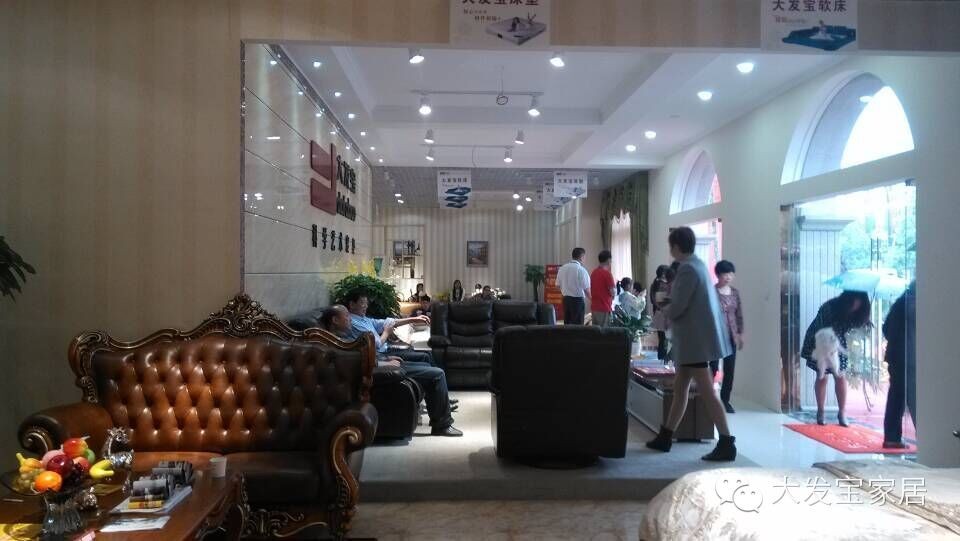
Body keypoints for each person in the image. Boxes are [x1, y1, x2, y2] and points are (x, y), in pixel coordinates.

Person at [646, 226, 737, 461]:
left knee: (706, 391)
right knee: (681, 389)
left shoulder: (687, 269)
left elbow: (678, 307)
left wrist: (663, 306)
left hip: (694, 341)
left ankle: (726, 441)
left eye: (671, 246)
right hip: (693, 341)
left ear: (676, 246)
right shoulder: (698, 265)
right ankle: (666, 436)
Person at [322, 304, 462, 437]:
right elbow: (356, 363)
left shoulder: (342, 338)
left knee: (427, 365)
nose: (350, 319)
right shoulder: (338, 343)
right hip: (380, 369)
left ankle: (439, 411)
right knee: (437, 374)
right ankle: (442, 426)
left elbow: (362, 356)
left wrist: (385, 358)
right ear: (335, 320)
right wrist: (384, 363)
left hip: (381, 361)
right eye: (346, 316)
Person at [800, 290, 872, 427]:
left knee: (840, 375)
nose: (856, 304)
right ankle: (820, 412)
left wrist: (864, 322)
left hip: (837, 343)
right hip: (820, 341)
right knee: (822, 376)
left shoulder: (859, 311)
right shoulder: (829, 307)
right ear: (848, 299)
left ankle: (842, 412)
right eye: (854, 301)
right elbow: (822, 330)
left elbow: (852, 329)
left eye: (860, 302)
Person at [882, 281, 917, 448]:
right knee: (913, 397)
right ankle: (928, 438)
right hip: (908, 358)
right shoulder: (915, 305)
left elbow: (886, 328)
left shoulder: (900, 303)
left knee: (896, 397)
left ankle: (892, 437)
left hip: (895, 356)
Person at [711, 260, 743, 414]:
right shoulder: (711, 292)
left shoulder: (735, 292)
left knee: (730, 369)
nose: (728, 277)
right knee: (713, 367)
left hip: (731, 335)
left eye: (731, 274)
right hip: (715, 334)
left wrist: (740, 333)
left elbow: (739, 314)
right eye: (725, 274)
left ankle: (725, 400)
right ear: (718, 275)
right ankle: (709, 397)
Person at [556, 248, 591, 325]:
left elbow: (557, 286)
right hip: (577, 301)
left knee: (567, 324)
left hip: (566, 300)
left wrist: (566, 291)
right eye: (584, 257)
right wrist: (593, 300)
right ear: (582, 257)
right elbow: (587, 290)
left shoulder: (562, 268)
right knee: (578, 325)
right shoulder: (581, 270)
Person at [649, 265, 672, 360]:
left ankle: (661, 359)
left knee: (662, 339)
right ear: (663, 274)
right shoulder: (662, 285)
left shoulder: (655, 283)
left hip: (658, 314)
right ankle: (663, 359)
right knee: (664, 340)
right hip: (663, 315)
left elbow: (654, 301)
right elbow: (661, 303)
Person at [590, 250, 616, 327]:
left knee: (595, 332)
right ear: (608, 260)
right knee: (604, 332)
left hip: (594, 308)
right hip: (604, 308)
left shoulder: (593, 273)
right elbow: (613, 292)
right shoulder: (607, 274)